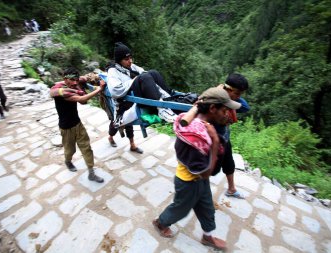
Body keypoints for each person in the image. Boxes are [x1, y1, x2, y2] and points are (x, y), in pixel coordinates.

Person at [152, 86, 241, 251]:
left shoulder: (203, 124)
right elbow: (209, 171)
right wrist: (215, 142)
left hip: (200, 181)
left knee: (207, 208)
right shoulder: (196, 138)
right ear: (212, 108)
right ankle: (160, 222)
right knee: (180, 209)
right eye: (225, 110)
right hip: (188, 182)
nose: (227, 114)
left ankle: (207, 236)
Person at [50, 67, 104, 183]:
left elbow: (83, 101)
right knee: (70, 150)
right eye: (72, 80)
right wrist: (99, 89)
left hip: (77, 124)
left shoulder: (74, 86)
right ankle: (68, 161)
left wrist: (87, 80)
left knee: (86, 148)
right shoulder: (61, 92)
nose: (75, 83)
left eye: (76, 80)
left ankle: (91, 172)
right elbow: (81, 98)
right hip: (66, 128)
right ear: (65, 79)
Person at [107, 42, 177, 125]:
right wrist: (135, 80)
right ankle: (162, 110)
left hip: (138, 98)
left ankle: (170, 101)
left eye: (130, 58)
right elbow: (115, 91)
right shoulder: (113, 72)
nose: (130, 61)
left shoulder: (131, 66)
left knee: (153, 73)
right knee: (143, 77)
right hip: (127, 107)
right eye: (126, 59)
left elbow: (146, 74)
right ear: (119, 61)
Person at [216, 73, 250, 199]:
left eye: (240, 94)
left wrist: (231, 97)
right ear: (228, 89)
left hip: (224, 137)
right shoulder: (214, 99)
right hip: (213, 140)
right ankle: (194, 191)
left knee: (229, 163)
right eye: (237, 93)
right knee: (209, 168)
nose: (238, 97)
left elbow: (246, 107)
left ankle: (231, 189)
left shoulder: (230, 101)